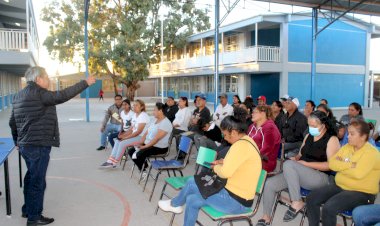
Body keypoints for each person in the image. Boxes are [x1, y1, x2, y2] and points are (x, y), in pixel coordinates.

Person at [9, 66, 96, 226]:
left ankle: (27, 209)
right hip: (39, 144)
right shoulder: (40, 94)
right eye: (46, 77)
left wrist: (17, 142)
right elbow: (62, 95)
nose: (48, 80)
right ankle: (34, 218)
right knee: (38, 181)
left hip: (25, 145)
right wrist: (85, 83)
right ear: (38, 79)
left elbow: (12, 122)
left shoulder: (18, 96)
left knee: (30, 177)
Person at [158, 115, 262, 226]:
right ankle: (176, 205)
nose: (224, 138)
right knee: (192, 198)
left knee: (192, 183)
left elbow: (225, 173)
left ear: (235, 132)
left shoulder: (240, 146)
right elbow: (241, 163)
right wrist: (223, 161)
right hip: (231, 193)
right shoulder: (247, 141)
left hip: (236, 202)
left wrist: (215, 167)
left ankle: (175, 204)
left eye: (225, 135)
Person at [256, 111, 340, 226]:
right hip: (301, 173)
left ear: (323, 125)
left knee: (288, 165)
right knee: (270, 184)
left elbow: (331, 166)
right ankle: (266, 217)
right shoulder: (308, 136)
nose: (310, 128)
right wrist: (295, 159)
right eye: (309, 125)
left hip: (320, 177)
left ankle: (297, 201)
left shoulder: (332, 139)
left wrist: (304, 164)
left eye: (314, 126)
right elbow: (299, 155)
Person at [306, 119, 380, 226]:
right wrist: (350, 164)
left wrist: (343, 164)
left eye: (352, 134)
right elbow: (332, 164)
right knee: (311, 198)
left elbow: (358, 174)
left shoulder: (372, 153)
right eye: (348, 133)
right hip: (341, 186)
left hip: (362, 193)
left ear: (363, 137)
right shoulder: (346, 147)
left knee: (329, 208)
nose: (348, 136)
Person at [100, 99, 150, 168]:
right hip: (135, 135)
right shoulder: (135, 115)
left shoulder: (143, 116)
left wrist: (125, 138)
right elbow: (131, 129)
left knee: (122, 143)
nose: (134, 107)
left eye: (136, 105)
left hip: (142, 137)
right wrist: (122, 135)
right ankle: (110, 160)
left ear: (142, 107)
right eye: (134, 105)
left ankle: (114, 162)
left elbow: (138, 132)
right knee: (118, 140)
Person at [128, 103, 173, 173]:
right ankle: (144, 167)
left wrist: (144, 146)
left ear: (160, 111)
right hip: (149, 144)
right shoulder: (154, 119)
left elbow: (156, 139)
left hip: (159, 147)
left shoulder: (166, 123)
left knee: (139, 154)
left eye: (154, 110)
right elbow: (146, 133)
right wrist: (141, 142)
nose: (153, 112)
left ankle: (143, 171)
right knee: (131, 151)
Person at [247, 105, 281, 173]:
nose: (252, 114)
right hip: (251, 158)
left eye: (254, 112)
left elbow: (266, 149)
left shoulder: (270, 128)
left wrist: (249, 158)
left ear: (262, 114)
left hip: (265, 162)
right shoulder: (252, 126)